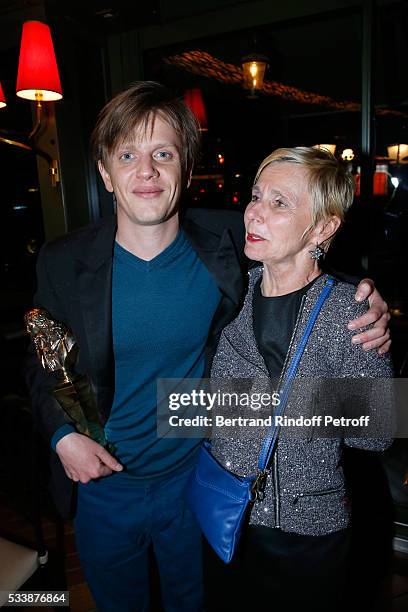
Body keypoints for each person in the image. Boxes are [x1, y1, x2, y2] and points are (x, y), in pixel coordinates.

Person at [25, 83, 389, 612]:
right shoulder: (61, 261)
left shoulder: (227, 244)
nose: (145, 171)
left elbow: (302, 260)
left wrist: (363, 296)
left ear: (185, 168)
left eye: (163, 154)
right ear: (105, 172)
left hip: (197, 481)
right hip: (103, 486)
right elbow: (37, 364)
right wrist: (62, 437)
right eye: (127, 155)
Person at [208, 146, 394, 611]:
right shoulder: (232, 293)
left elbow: (379, 433)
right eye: (255, 195)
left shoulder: (348, 312)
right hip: (225, 516)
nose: (254, 212)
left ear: (324, 228)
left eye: (279, 203)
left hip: (307, 534)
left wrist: (273, 404)